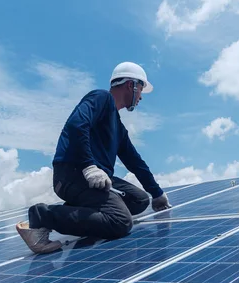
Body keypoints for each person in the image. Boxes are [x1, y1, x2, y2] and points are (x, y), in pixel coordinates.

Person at [16, 62, 171, 254]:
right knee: (120, 222)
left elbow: (134, 161)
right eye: (141, 90)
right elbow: (76, 125)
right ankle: (40, 217)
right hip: (73, 174)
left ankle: (77, 211)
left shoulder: (118, 126)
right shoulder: (101, 98)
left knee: (139, 200)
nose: (140, 97)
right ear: (131, 85)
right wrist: (89, 166)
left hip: (97, 179)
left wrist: (156, 193)